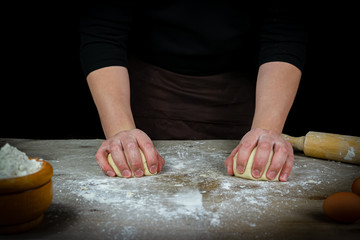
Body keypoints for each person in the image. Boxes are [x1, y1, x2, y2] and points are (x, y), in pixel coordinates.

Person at [80, 2, 308, 181]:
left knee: (256, 157)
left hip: (245, 91)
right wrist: (121, 130)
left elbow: (284, 28)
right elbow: (104, 30)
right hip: (150, 89)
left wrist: (267, 129)